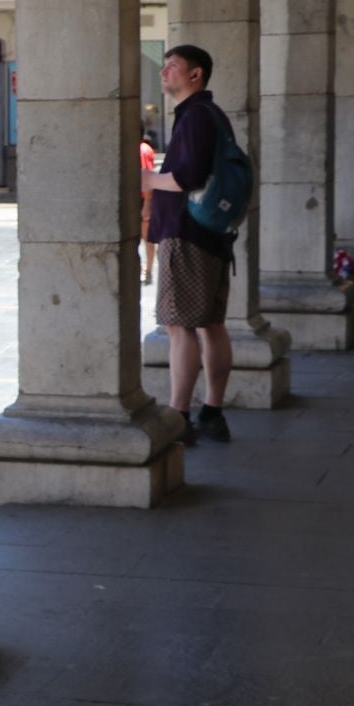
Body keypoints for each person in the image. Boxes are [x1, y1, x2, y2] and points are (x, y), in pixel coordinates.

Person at [143, 44, 235, 445]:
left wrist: (146, 180)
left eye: (172, 67)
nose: (164, 72)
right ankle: (212, 411)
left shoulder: (195, 117)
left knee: (178, 325)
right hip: (212, 234)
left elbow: (186, 177)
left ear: (195, 75)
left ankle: (179, 415)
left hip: (187, 232)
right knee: (211, 324)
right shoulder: (211, 115)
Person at [139, 131, 158, 286]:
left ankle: (148, 270)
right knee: (147, 239)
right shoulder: (144, 148)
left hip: (142, 199)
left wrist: (146, 204)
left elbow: (147, 177)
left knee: (147, 238)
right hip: (142, 198)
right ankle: (147, 270)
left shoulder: (142, 149)